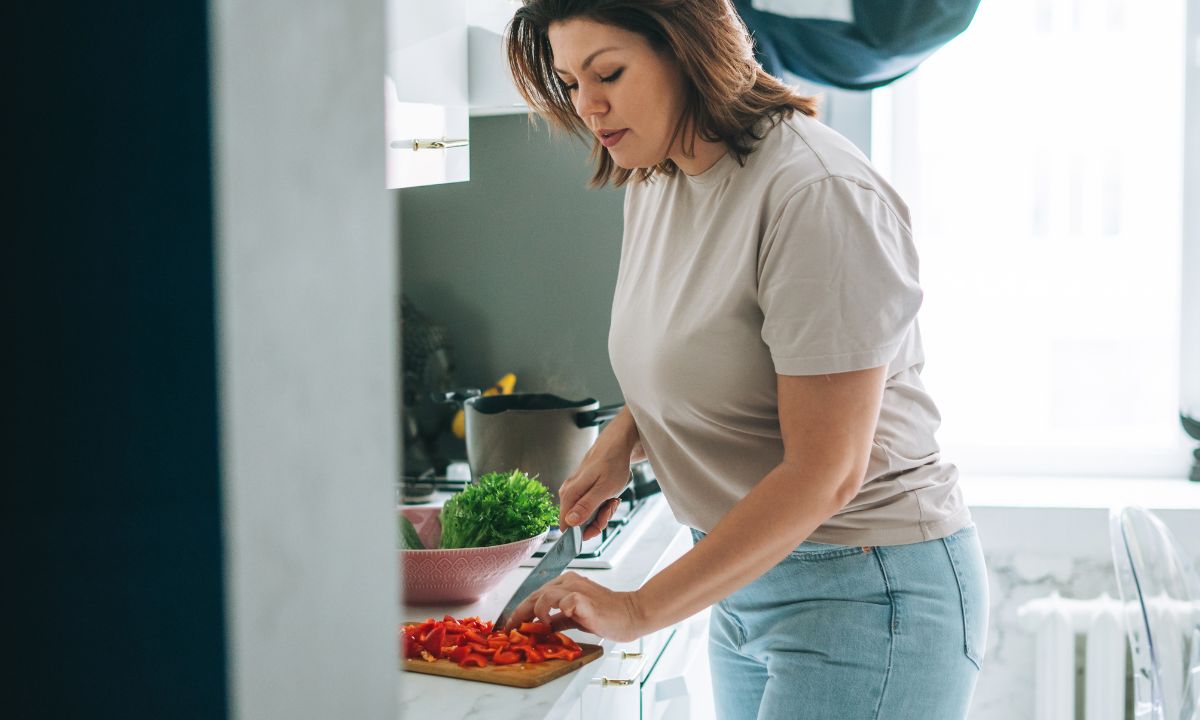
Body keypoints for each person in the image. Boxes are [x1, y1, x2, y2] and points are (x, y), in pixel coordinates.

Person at [501, 1, 988, 718]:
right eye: (572, 82)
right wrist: (624, 440)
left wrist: (637, 609)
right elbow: (716, 343)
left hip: (866, 590)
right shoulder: (656, 175)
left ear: (689, 51)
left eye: (609, 72)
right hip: (741, 578)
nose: (589, 106)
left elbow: (826, 471)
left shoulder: (815, 193)